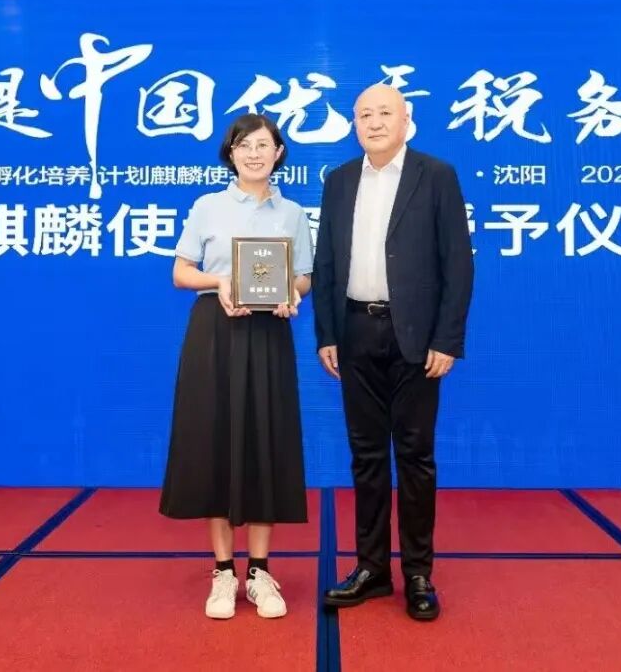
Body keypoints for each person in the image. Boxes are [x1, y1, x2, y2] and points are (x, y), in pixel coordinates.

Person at [313, 84, 473, 621]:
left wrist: (446, 340)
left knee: (415, 456)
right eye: (365, 114)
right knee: (366, 457)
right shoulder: (339, 181)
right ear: (354, 124)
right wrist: (327, 334)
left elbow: (458, 265)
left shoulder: (436, 176)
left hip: (417, 339)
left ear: (407, 119)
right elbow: (326, 263)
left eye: (385, 112)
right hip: (356, 331)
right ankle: (372, 568)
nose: (375, 122)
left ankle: (419, 573)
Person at [159, 113, 314, 621]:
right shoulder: (208, 206)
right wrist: (220, 282)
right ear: (230, 154)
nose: (254, 154)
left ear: (278, 152)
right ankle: (224, 571)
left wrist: (292, 292)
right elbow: (181, 271)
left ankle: (260, 572)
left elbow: (305, 276)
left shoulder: (293, 213)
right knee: (216, 443)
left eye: (263, 145)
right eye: (244, 145)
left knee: (266, 442)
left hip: (269, 333)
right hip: (215, 333)